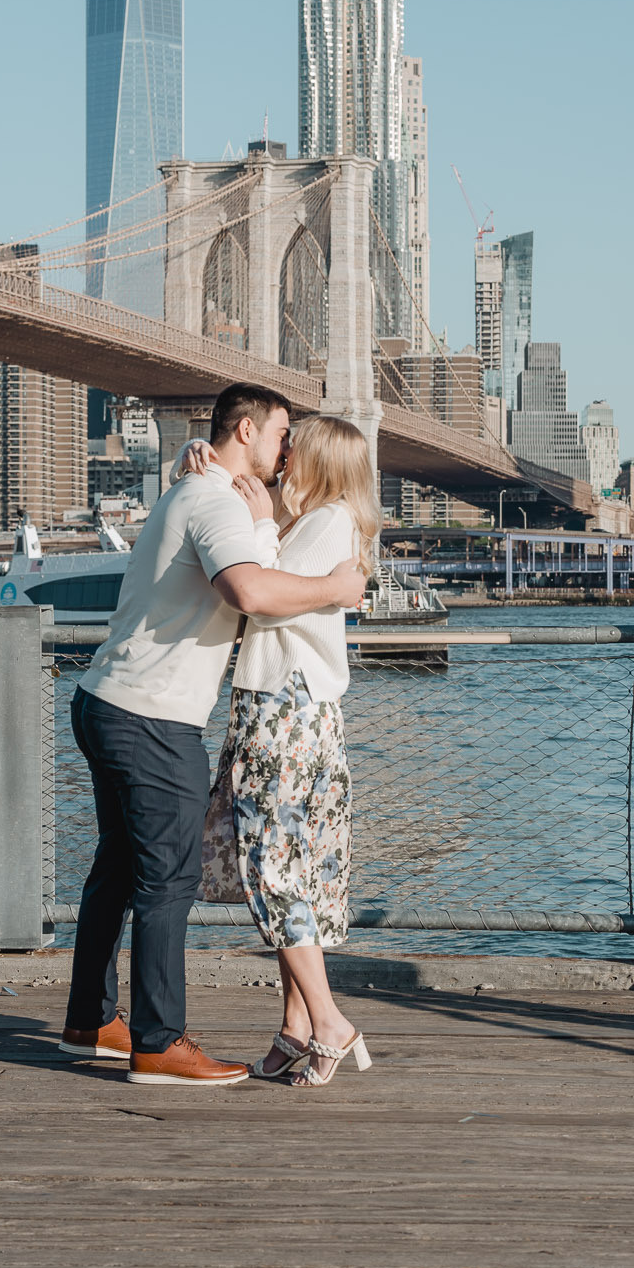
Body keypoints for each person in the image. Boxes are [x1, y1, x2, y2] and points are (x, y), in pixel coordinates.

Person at [59, 384, 368, 1086]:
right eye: (282, 434)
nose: (288, 449)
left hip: (105, 700)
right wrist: (336, 589)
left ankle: (91, 1016)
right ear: (249, 429)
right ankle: (159, 1041)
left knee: (118, 862)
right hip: (151, 714)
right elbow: (253, 592)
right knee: (167, 877)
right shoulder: (217, 499)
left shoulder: (199, 487)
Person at [185, 416, 381, 1088]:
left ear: (321, 461)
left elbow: (264, 600)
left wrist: (264, 524)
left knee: (271, 864)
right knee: (299, 865)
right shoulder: (328, 520)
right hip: (307, 711)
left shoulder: (325, 521)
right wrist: (203, 458)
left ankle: (327, 1020)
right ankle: (296, 1028)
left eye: (295, 448)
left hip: (283, 706)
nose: (284, 456)